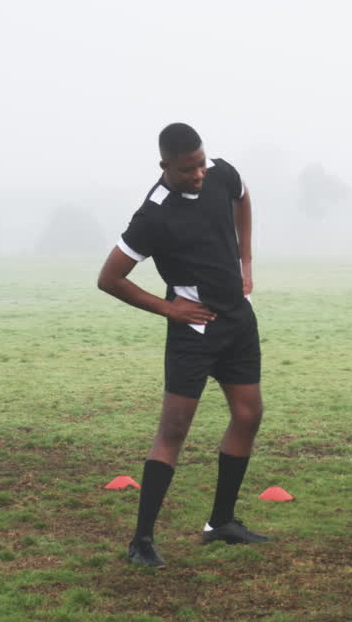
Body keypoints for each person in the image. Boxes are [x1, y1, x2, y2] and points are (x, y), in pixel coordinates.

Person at [98, 123, 266, 569]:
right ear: (165, 166)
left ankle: (222, 521)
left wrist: (246, 261)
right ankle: (142, 541)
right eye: (188, 169)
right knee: (173, 430)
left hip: (237, 321)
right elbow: (109, 278)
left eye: (201, 164)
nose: (198, 175)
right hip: (193, 331)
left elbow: (243, 198)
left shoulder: (221, 173)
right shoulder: (154, 215)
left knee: (249, 415)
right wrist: (170, 309)